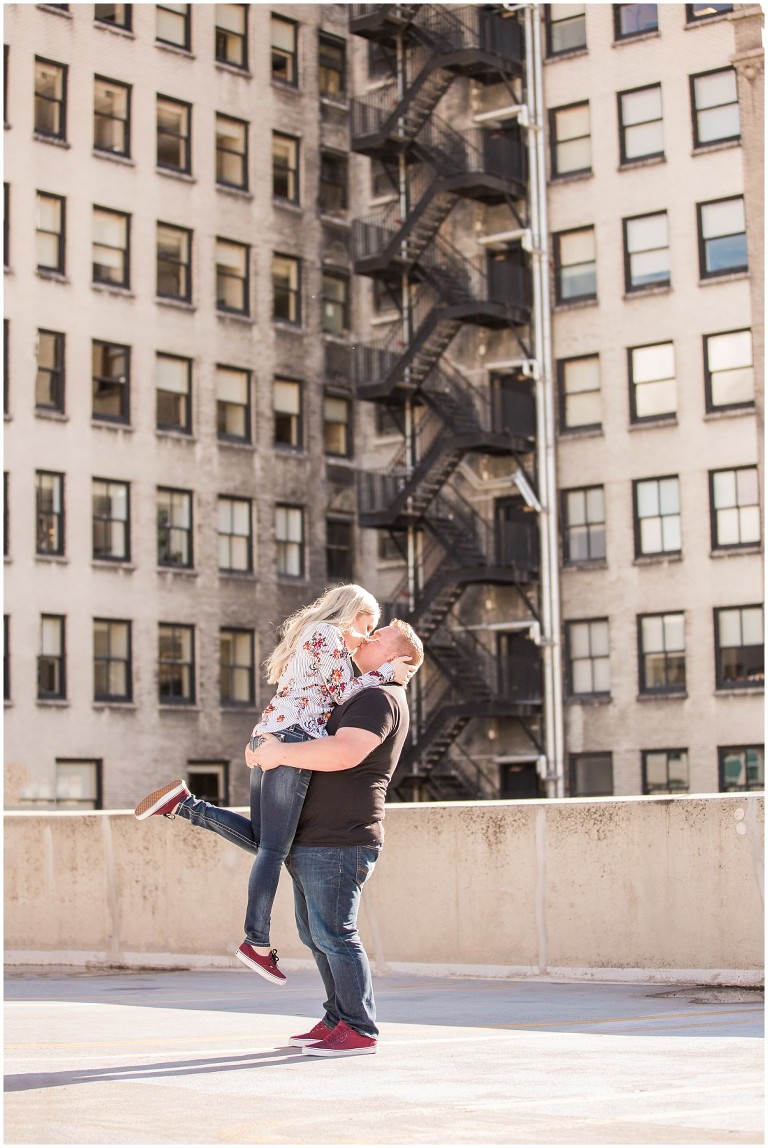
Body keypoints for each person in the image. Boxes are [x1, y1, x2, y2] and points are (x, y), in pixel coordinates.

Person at [134, 584, 413, 985]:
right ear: (351, 615)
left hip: (272, 734)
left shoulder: (312, 634)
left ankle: (186, 805)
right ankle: (256, 941)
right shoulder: (328, 635)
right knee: (273, 849)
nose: (366, 637)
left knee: (266, 840)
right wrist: (388, 672)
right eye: (367, 626)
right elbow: (340, 693)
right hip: (292, 739)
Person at [246, 617, 424, 1057]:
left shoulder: (381, 698)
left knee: (336, 933)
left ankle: (359, 1029)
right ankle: (336, 1019)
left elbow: (346, 752)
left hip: (342, 838)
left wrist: (281, 752)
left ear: (395, 657)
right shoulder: (361, 692)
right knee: (316, 935)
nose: (367, 636)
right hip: (319, 837)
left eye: (378, 636)